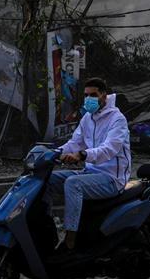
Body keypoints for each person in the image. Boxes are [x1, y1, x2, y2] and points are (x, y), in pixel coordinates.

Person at [46, 76, 131, 251]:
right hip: (90, 173)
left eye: (93, 95)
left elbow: (109, 149)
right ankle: (46, 229)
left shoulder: (117, 119)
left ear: (104, 95)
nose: (89, 99)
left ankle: (70, 239)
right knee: (46, 181)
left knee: (73, 184)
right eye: (86, 96)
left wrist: (82, 155)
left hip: (111, 179)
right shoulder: (87, 118)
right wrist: (54, 153)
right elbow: (75, 142)